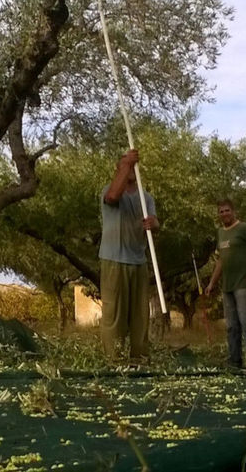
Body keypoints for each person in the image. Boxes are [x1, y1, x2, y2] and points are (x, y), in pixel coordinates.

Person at [99, 149, 159, 364]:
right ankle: (113, 360)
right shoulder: (109, 190)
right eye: (124, 165)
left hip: (139, 260)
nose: (130, 169)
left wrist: (154, 224)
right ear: (119, 168)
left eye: (132, 166)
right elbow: (113, 196)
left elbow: (154, 222)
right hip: (114, 259)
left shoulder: (146, 198)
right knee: (114, 313)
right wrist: (126, 164)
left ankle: (139, 358)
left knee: (140, 315)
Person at [205, 199, 246, 368]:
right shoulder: (221, 233)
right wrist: (211, 283)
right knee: (231, 326)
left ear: (233, 211)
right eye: (221, 211)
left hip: (243, 284)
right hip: (227, 286)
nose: (224, 214)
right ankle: (234, 361)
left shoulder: (244, 228)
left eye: (227, 210)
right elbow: (220, 262)